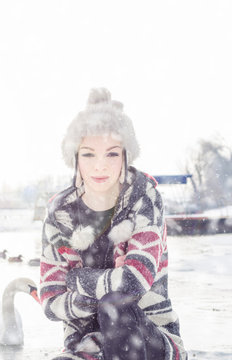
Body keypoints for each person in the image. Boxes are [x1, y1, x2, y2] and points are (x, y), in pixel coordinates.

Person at [39, 88, 187, 360]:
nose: (100, 166)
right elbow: (49, 301)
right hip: (85, 345)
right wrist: (107, 283)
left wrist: (76, 279)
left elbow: (133, 281)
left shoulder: (144, 198)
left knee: (114, 306)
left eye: (111, 154)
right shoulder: (60, 212)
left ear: (125, 156)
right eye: (88, 154)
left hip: (149, 340)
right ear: (74, 156)